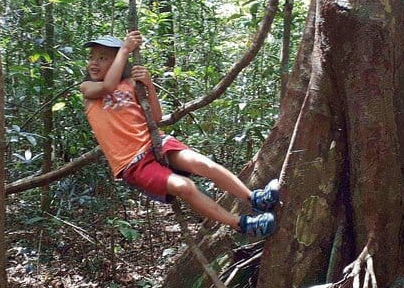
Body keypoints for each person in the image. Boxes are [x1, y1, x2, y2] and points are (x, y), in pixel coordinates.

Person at [80, 31, 279, 237]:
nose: (94, 62)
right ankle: (242, 224)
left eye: (102, 58)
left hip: (155, 142)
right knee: (185, 187)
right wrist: (125, 49)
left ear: (118, 62)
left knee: (204, 164)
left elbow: (156, 117)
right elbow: (108, 86)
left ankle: (254, 198)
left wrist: (148, 85)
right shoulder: (87, 88)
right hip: (132, 162)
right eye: (92, 57)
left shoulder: (130, 84)